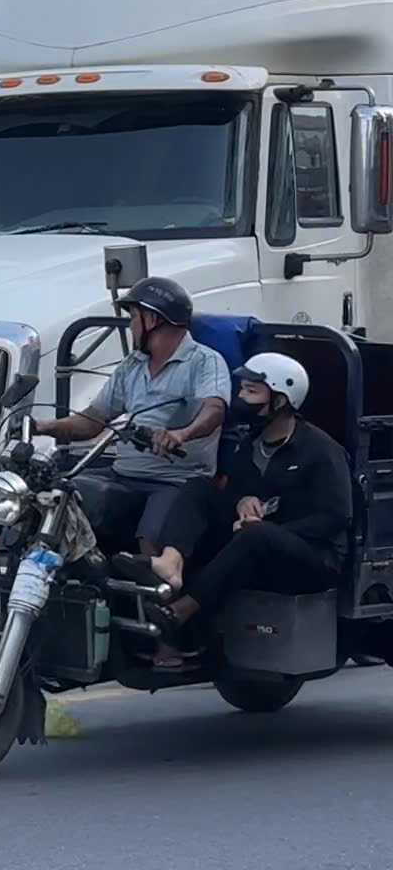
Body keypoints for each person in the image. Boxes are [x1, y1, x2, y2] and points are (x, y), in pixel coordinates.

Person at [152, 353, 349, 667]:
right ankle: (170, 564)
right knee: (198, 488)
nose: (241, 398)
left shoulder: (321, 450)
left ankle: (180, 613)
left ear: (281, 400)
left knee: (255, 536)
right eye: (241, 389)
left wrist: (271, 532)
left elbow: (336, 516)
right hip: (255, 542)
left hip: (312, 556)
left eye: (251, 391)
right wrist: (241, 500)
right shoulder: (249, 444)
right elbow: (238, 491)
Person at [35, 276, 227, 590]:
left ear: (152, 319)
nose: (131, 326)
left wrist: (181, 434)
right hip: (121, 474)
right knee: (59, 496)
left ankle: (157, 612)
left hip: (174, 481)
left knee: (150, 542)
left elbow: (214, 410)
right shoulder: (132, 366)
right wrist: (42, 426)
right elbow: (93, 421)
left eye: (134, 318)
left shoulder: (204, 361)